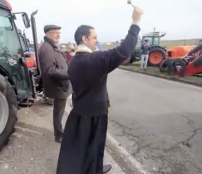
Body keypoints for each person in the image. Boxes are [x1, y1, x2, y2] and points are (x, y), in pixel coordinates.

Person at [56, 6, 143, 174]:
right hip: (94, 114)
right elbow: (123, 50)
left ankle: (94, 168)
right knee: (94, 145)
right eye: (94, 37)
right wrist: (136, 22)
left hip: (81, 110)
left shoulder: (75, 61)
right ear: (84, 38)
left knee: (85, 147)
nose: (97, 40)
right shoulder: (92, 59)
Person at [39, 25, 72, 143]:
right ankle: (59, 135)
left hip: (62, 85)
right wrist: (70, 74)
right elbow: (50, 71)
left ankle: (60, 132)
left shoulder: (52, 46)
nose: (58, 35)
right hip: (59, 86)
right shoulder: (46, 48)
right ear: (47, 33)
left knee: (60, 111)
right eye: (55, 32)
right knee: (58, 112)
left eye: (59, 32)